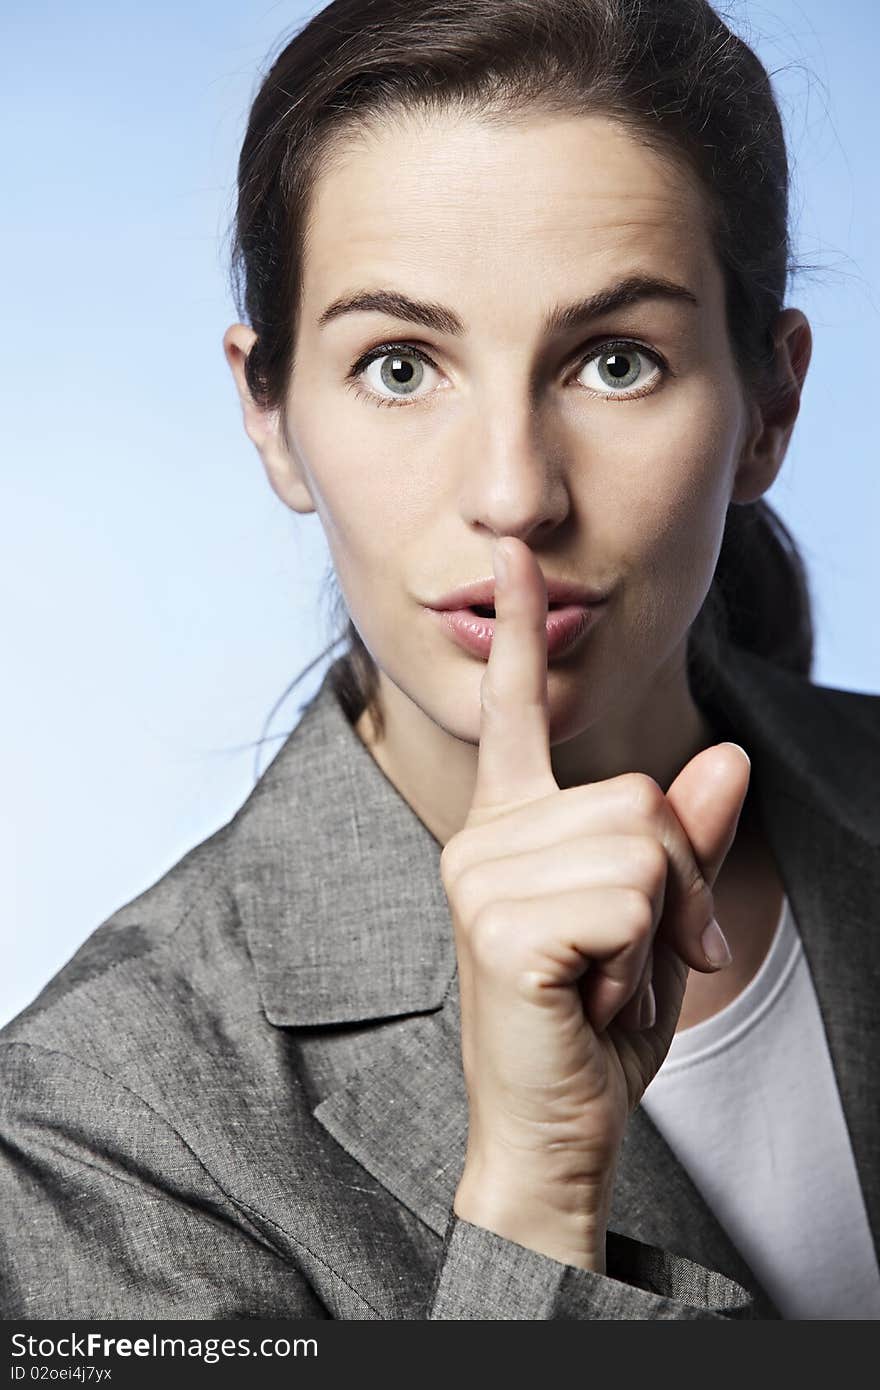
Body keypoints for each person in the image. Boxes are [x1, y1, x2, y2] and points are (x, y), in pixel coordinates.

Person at [1, 0, 878, 1321]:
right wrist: (534, 1194)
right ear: (274, 415)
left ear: (769, 406)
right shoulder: (100, 1121)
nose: (516, 492)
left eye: (617, 360)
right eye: (402, 365)